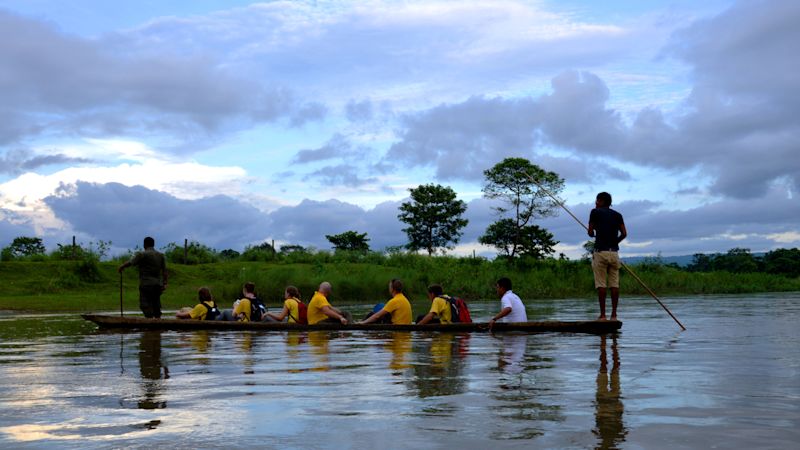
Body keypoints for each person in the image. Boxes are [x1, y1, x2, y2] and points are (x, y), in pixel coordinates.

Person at [587, 191, 627, 321]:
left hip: (600, 252)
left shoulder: (595, 212)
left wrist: (593, 233)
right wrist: (615, 242)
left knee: (601, 284)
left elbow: (590, 232)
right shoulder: (618, 215)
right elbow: (624, 233)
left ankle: (603, 315)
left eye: (597, 200)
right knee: (614, 284)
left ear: (602, 201)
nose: (595, 203)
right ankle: (614, 315)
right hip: (614, 253)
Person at [118, 236, 168, 318]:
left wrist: (122, 266)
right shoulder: (160, 255)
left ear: (145, 245)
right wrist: (165, 283)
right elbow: (165, 271)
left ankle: (149, 322)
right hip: (157, 284)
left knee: (144, 304)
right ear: (153, 244)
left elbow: (131, 262)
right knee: (156, 304)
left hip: (146, 284)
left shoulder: (142, 254)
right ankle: (157, 323)